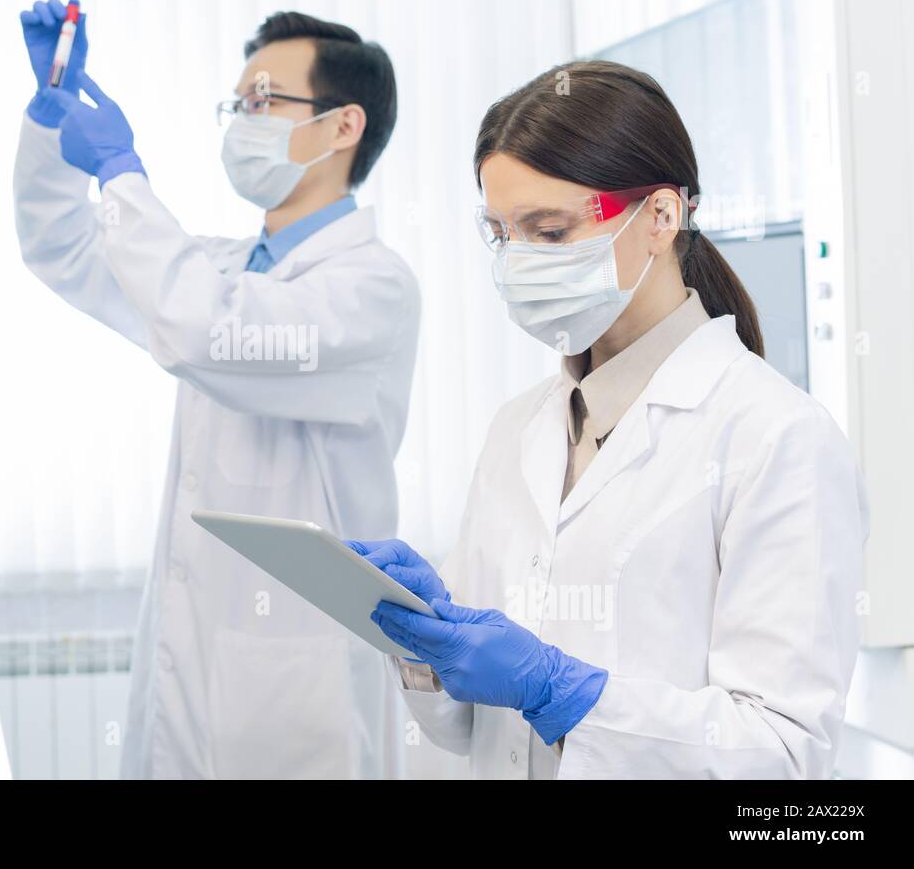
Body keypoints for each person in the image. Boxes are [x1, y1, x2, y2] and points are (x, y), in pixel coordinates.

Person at [352, 60, 867, 779]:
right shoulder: (517, 429)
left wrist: (563, 693)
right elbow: (472, 734)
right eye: (502, 235)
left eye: (551, 232)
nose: (517, 262)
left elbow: (781, 753)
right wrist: (426, 647)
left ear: (660, 216)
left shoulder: (777, 438)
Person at [13, 0, 419, 778]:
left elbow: (207, 331)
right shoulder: (224, 266)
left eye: (264, 101)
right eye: (238, 104)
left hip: (298, 692)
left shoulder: (372, 290)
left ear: (343, 126)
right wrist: (49, 117)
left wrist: (124, 175)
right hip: (193, 662)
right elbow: (60, 249)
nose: (242, 120)